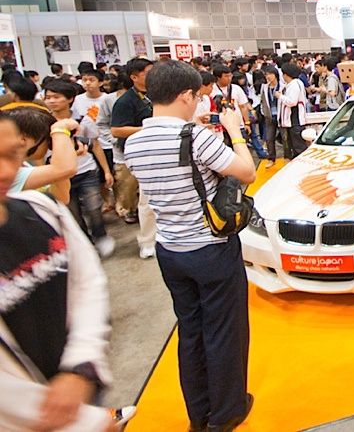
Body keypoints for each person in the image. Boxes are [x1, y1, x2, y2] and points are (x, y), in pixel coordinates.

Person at [123, 60, 256, 432]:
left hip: (170, 250)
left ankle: (198, 414)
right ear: (185, 95)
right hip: (210, 248)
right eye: (196, 97)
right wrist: (235, 132)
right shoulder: (196, 138)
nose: (198, 103)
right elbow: (247, 172)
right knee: (224, 331)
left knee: (190, 330)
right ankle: (226, 412)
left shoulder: (134, 142)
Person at [0, 113, 135, 432]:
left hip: (78, 388)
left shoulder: (40, 209)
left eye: (12, 154)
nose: (7, 171)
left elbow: (87, 283)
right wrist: (86, 422)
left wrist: (81, 366)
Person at [44, 80, 115, 258]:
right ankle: (85, 243)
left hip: (86, 171)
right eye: (48, 97)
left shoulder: (83, 120)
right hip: (60, 175)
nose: (51, 101)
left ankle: (100, 236)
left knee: (94, 207)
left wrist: (106, 171)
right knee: (73, 213)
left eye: (56, 97)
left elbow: (95, 145)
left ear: (70, 99)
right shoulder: (43, 122)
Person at [111, 57, 156, 258]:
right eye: (147, 72)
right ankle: (147, 241)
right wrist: (148, 128)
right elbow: (117, 130)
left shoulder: (157, 94)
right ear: (134, 77)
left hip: (159, 150)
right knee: (146, 200)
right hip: (139, 153)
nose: (153, 75)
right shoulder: (125, 101)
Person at [6, 106, 78, 203]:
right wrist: (59, 130)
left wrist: (62, 155)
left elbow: (60, 199)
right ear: (23, 140)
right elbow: (66, 169)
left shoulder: (23, 165)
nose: (50, 144)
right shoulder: (10, 173)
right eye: (48, 139)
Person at [74, 70, 113, 212]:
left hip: (108, 142)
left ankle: (117, 201)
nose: (87, 83)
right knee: (99, 177)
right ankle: (107, 201)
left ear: (101, 82)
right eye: (84, 80)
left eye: (91, 80)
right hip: (88, 144)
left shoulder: (107, 99)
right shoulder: (77, 100)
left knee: (112, 174)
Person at [97, 72, 131, 220]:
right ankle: (126, 209)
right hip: (121, 151)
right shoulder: (109, 100)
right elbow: (102, 123)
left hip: (144, 150)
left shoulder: (147, 98)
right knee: (125, 184)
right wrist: (113, 139)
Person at [230, 72, 268, 159]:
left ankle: (260, 153)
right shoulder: (237, 89)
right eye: (241, 78)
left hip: (245, 115)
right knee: (249, 135)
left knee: (253, 134)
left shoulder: (241, 88)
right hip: (240, 116)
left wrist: (251, 111)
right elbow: (244, 104)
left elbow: (246, 103)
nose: (243, 80)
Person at [276, 62, 309, 160]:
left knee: (298, 146)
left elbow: (292, 102)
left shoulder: (294, 85)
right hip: (293, 120)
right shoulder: (295, 83)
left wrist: (280, 96)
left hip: (295, 120)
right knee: (295, 146)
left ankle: (301, 163)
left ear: (286, 75)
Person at [260, 67, 282, 167]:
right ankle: (271, 158)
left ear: (275, 74)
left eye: (270, 74)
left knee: (285, 138)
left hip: (281, 115)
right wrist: (263, 112)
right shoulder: (264, 87)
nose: (268, 76)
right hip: (269, 115)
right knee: (269, 138)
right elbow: (262, 100)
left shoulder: (282, 86)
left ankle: (288, 156)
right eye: (266, 74)